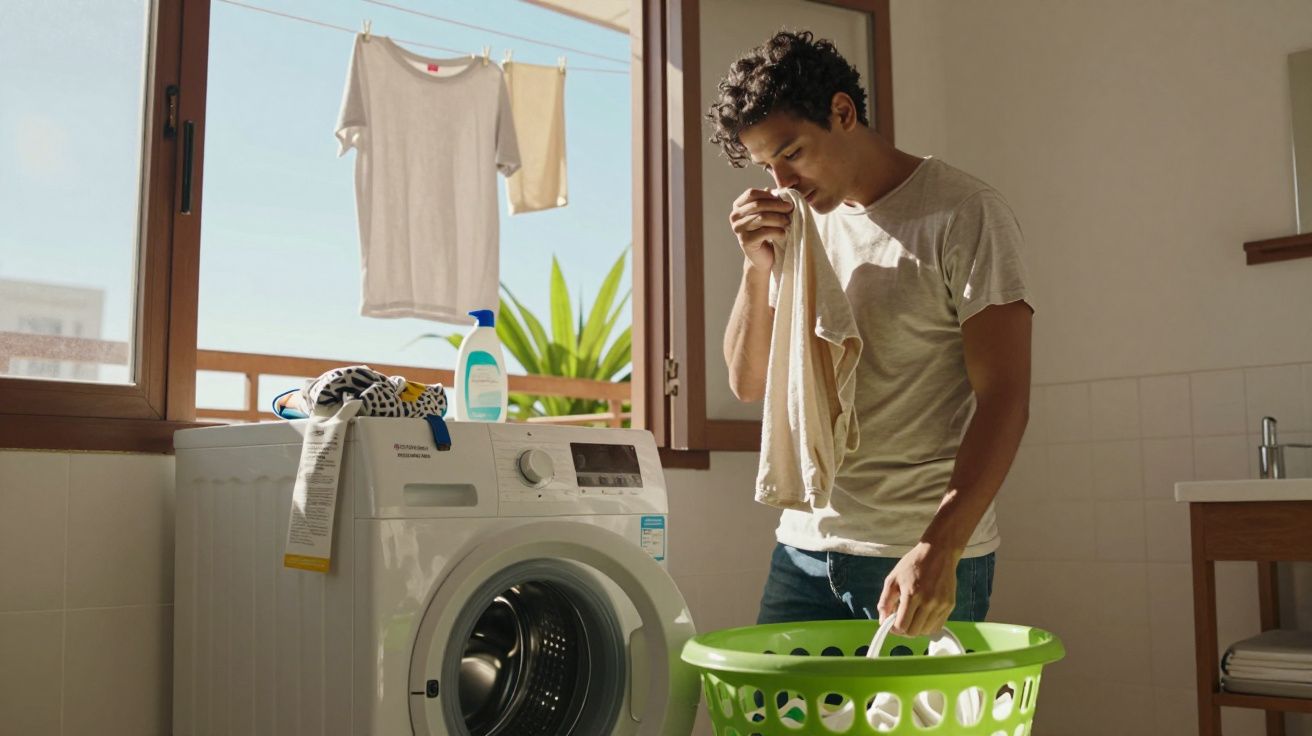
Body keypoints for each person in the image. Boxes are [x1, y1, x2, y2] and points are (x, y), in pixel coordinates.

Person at [708, 30, 1034, 637]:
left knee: (918, 735)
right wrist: (757, 269)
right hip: (803, 551)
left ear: (842, 111)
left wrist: (939, 548)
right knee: (769, 730)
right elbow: (748, 382)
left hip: (917, 552)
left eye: (792, 153)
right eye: (767, 166)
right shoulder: (800, 225)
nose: (782, 182)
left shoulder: (964, 212)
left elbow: (1005, 396)